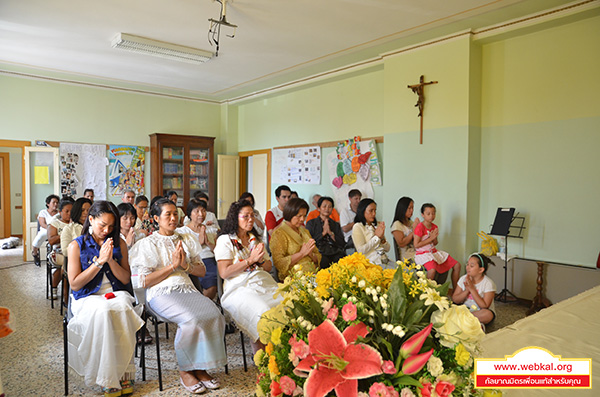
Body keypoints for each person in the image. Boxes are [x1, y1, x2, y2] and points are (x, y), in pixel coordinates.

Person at [130, 198, 225, 393]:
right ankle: (186, 370)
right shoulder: (147, 244)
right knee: (191, 320)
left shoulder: (186, 239)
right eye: (168, 214)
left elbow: (201, 270)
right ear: (156, 218)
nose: (173, 218)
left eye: (175, 214)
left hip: (187, 289)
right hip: (160, 293)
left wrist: (185, 266)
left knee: (214, 314)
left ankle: (201, 368)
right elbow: (143, 281)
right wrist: (173, 266)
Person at [66, 201, 144, 397]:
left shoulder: (120, 243)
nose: (107, 230)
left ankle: (125, 373)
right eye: (102, 225)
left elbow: (126, 278)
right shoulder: (76, 245)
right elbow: (75, 284)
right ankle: (108, 377)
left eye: (111, 226)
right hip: (88, 296)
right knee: (104, 312)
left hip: (117, 292)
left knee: (122, 309)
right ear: (91, 220)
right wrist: (99, 262)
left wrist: (110, 259)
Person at [214, 199, 281, 353]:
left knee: (286, 302)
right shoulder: (225, 240)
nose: (251, 219)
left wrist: (260, 260)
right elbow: (225, 272)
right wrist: (250, 260)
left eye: (252, 215)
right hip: (238, 287)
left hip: (261, 281)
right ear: (235, 218)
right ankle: (261, 353)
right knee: (263, 310)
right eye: (245, 216)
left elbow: (268, 266)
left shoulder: (255, 239)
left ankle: (282, 351)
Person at [176, 199, 218, 300]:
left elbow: (217, 250)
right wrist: (200, 241)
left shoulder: (211, 229)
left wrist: (208, 242)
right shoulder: (182, 232)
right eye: (197, 211)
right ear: (190, 214)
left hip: (213, 261)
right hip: (197, 262)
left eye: (203, 211)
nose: (201, 214)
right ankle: (202, 305)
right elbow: (186, 254)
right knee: (212, 285)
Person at [270, 198, 321, 279]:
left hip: (312, 273)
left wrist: (311, 254)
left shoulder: (305, 232)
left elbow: (318, 256)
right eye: (299, 216)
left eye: (304, 216)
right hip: (294, 277)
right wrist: (301, 254)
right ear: (290, 214)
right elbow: (279, 263)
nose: (302, 219)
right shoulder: (279, 233)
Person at [413, 203, 461, 290]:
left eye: (433, 213)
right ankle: (427, 293)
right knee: (432, 270)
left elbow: (435, 243)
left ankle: (456, 293)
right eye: (428, 214)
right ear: (423, 215)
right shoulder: (420, 227)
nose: (431, 216)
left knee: (457, 265)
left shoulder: (434, 226)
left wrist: (433, 238)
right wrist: (430, 238)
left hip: (433, 252)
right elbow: (416, 245)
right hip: (423, 254)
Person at [452, 253, 496, 326]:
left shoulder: (488, 283)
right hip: (464, 310)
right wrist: (467, 290)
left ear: (481, 270)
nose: (467, 267)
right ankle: (468, 322)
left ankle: (460, 320)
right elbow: (455, 299)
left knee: (488, 315)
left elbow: (484, 306)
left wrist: (472, 289)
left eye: (471, 266)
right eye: (467, 264)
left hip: (479, 312)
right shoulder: (463, 279)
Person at [306, 196, 345, 269]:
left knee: (341, 260)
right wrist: (323, 233)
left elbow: (342, 243)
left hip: (334, 251)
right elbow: (308, 241)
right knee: (323, 261)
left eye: (330, 207)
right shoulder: (311, 223)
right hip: (319, 251)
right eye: (324, 206)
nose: (327, 209)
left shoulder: (335, 224)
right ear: (318, 208)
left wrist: (330, 233)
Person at [352, 198, 391, 268]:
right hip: (370, 264)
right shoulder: (358, 227)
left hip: (383, 260)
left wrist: (382, 239)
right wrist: (376, 237)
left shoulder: (376, 225)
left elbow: (387, 249)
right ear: (362, 211)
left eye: (375, 211)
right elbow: (361, 250)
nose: (374, 214)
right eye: (371, 211)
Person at [48, 198, 74, 296]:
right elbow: (51, 241)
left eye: (71, 211)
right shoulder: (55, 223)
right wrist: (66, 234)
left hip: (72, 251)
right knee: (65, 262)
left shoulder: (75, 224)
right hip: (58, 252)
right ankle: (57, 289)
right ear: (60, 212)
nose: (69, 214)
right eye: (66, 211)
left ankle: (70, 292)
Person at [31, 194, 60, 266]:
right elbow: (42, 224)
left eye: (57, 202)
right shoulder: (43, 212)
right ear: (48, 203)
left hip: (57, 230)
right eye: (53, 202)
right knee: (39, 238)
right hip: (45, 230)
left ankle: (55, 258)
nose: (55, 204)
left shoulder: (59, 213)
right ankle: (35, 254)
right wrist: (51, 229)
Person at [391, 196, 420, 261]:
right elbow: (401, 243)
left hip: (417, 253)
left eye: (412, 208)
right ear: (403, 209)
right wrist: (414, 231)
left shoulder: (411, 223)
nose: (411, 211)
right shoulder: (397, 224)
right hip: (407, 257)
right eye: (409, 208)